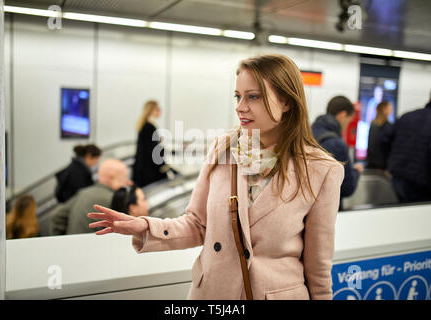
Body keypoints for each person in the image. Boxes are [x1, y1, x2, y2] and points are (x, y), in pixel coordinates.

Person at [88, 54, 345, 300]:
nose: (240, 107)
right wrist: (146, 226)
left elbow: (318, 267)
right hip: (214, 293)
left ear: (287, 102)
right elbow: (198, 224)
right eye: (237, 96)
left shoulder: (321, 170)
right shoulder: (223, 149)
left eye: (253, 97)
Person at [51, 159, 131, 235]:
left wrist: (61, 240)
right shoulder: (115, 200)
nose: (129, 182)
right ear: (111, 178)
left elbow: (56, 216)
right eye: (125, 178)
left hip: (74, 245)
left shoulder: (84, 192)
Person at [311, 96, 364, 208]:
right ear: (343, 115)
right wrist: (356, 172)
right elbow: (346, 188)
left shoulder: (308, 133)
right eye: (349, 121)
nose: (347, 125)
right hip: (326, 209)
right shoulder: (336, 144)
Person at [379, 93, 431, 203]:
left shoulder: (407, 116)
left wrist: (389, 163)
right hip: (423, 184)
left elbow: (384, 140)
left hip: (397, 177)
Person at [132, 100, 175, 188]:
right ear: (150, 110)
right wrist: (164, 166)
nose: (159, 111)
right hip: (148, 170)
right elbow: (152, 150)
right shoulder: (149, 127)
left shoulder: (146, 125)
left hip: (144, 168)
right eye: (157, 109)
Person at [366, 101, 394, 170]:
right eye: (390, 108)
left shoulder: (373, 124)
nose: (391, 110)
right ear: (384, 109)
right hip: (382, 164)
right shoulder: (387, 126)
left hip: (372, 162)